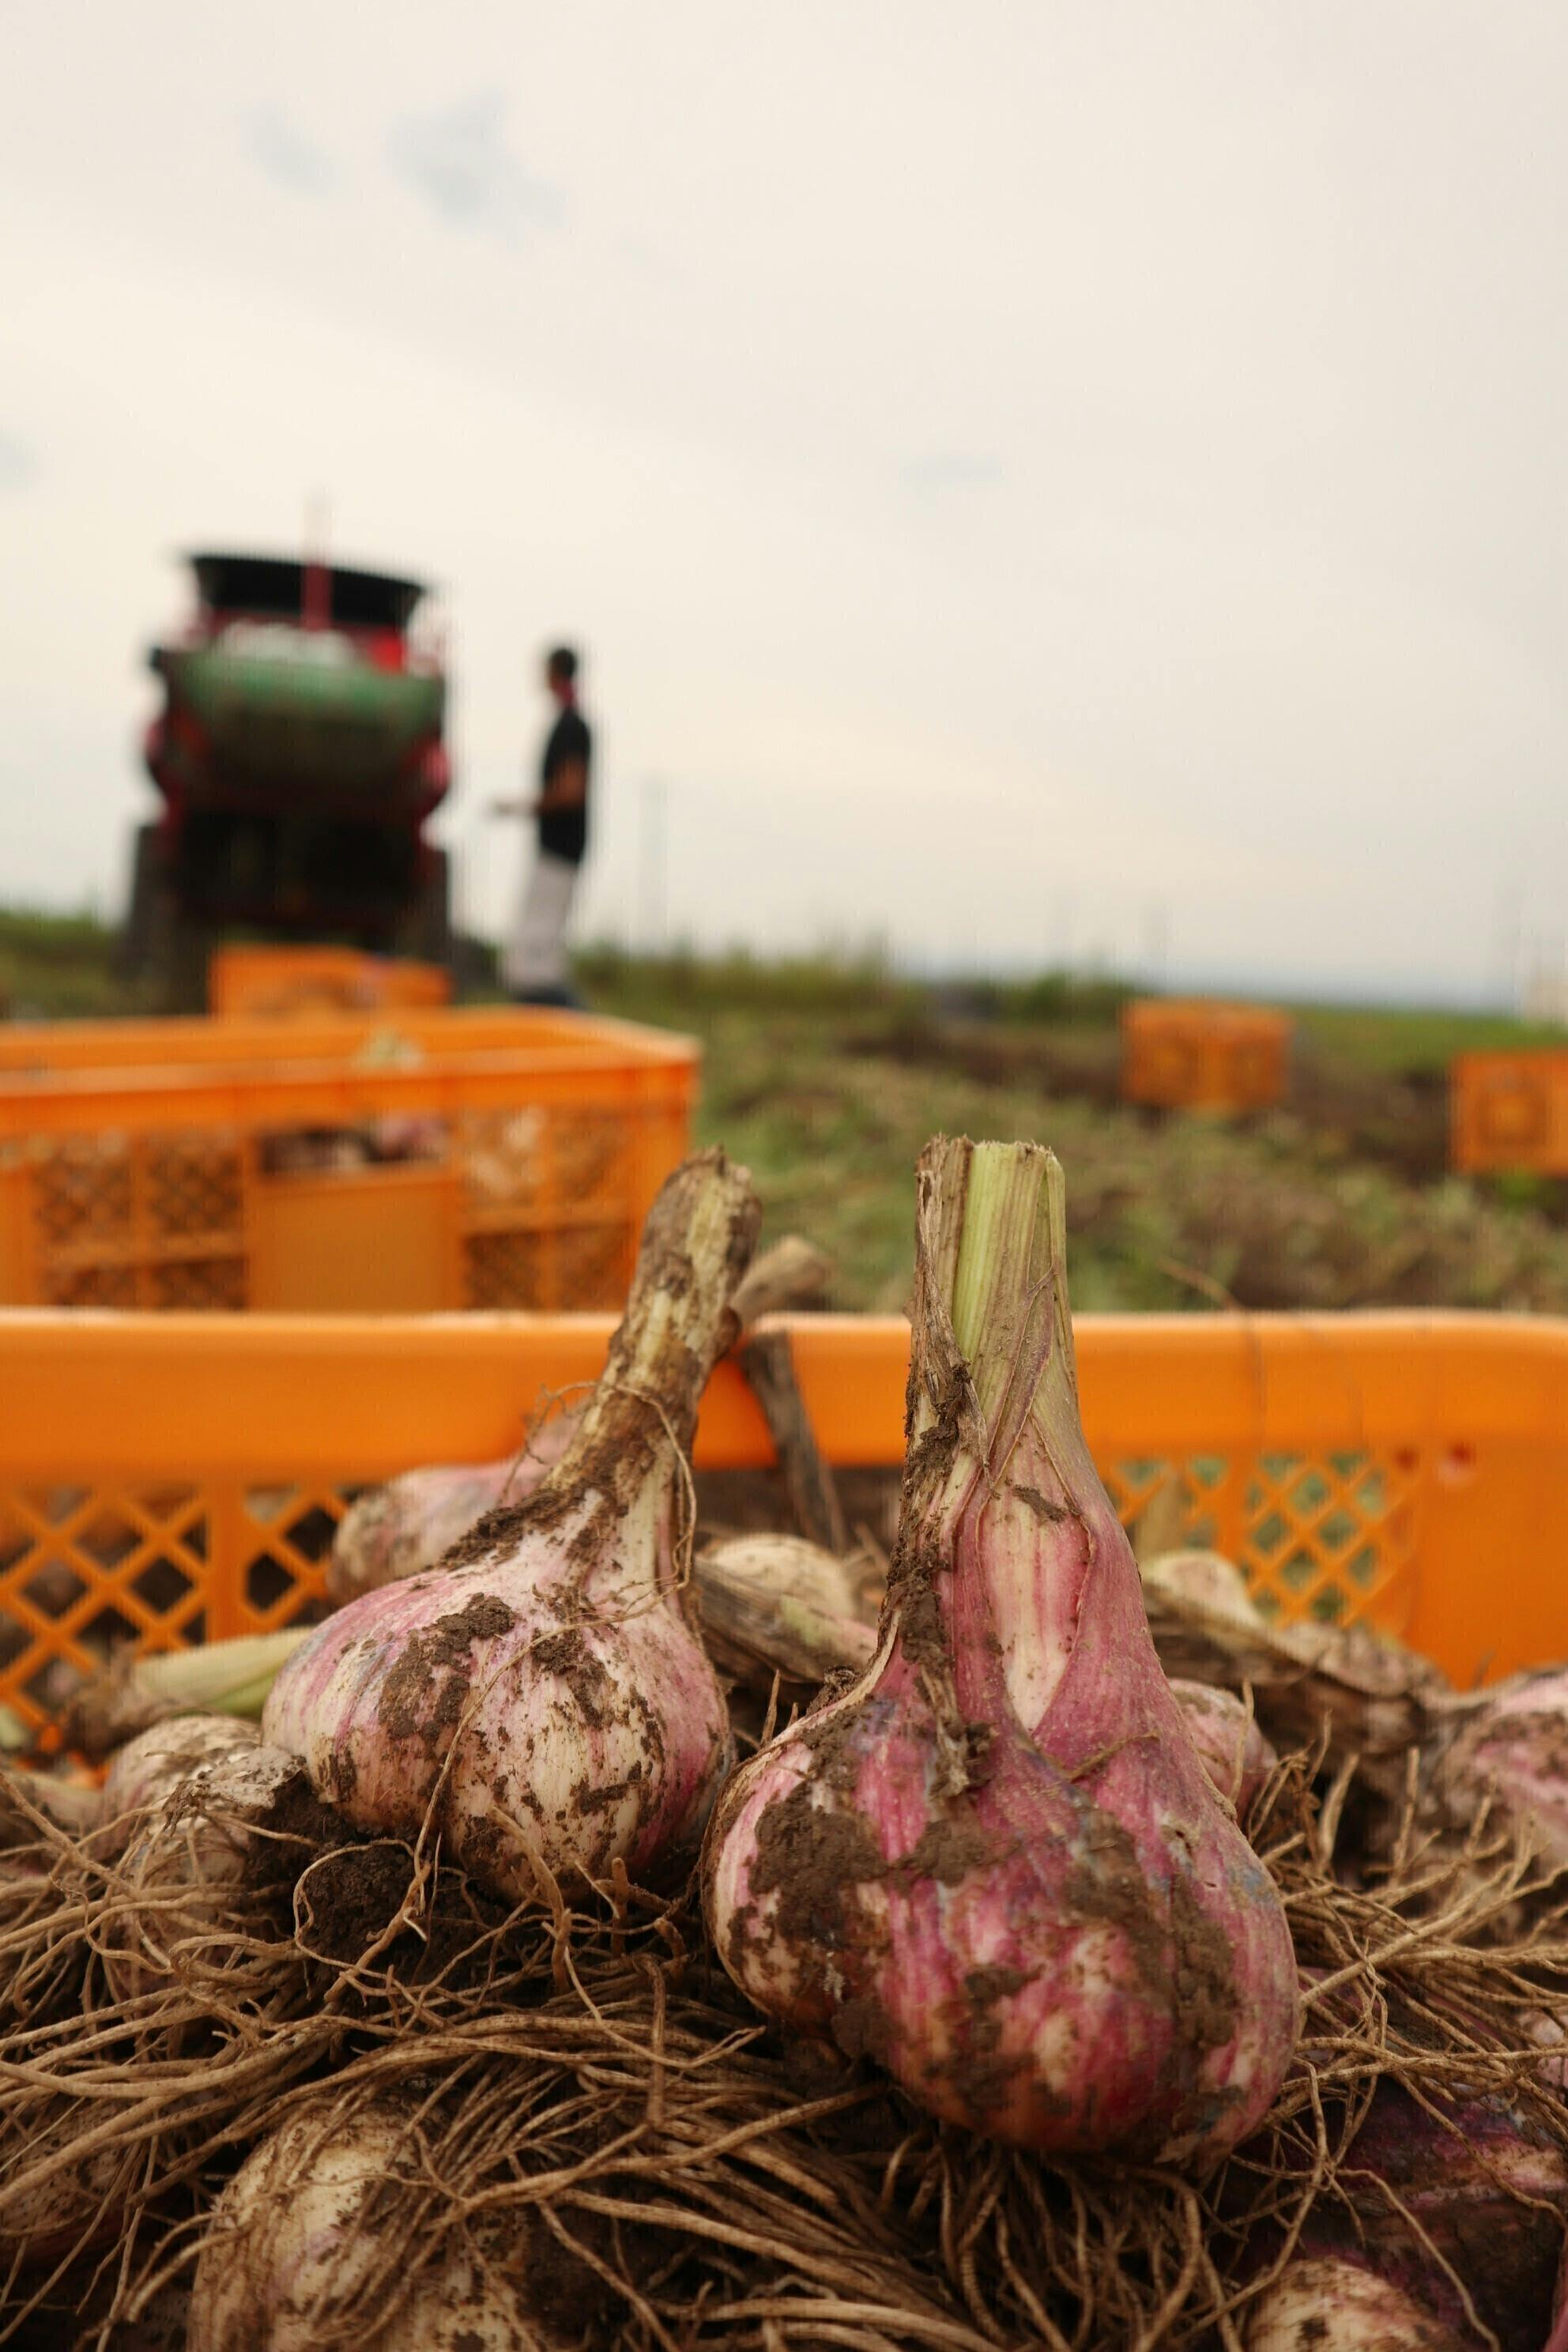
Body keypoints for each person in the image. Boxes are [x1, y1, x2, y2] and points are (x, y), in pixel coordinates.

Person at [492, 644, 592, 1008]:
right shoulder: (568, 722)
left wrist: (519, 806)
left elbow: (570, 791)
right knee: (535, 962)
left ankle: (580, 1039)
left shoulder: (572, 725)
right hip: (557, 850)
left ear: (555, 672)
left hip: (560, 852)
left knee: (531, 968)